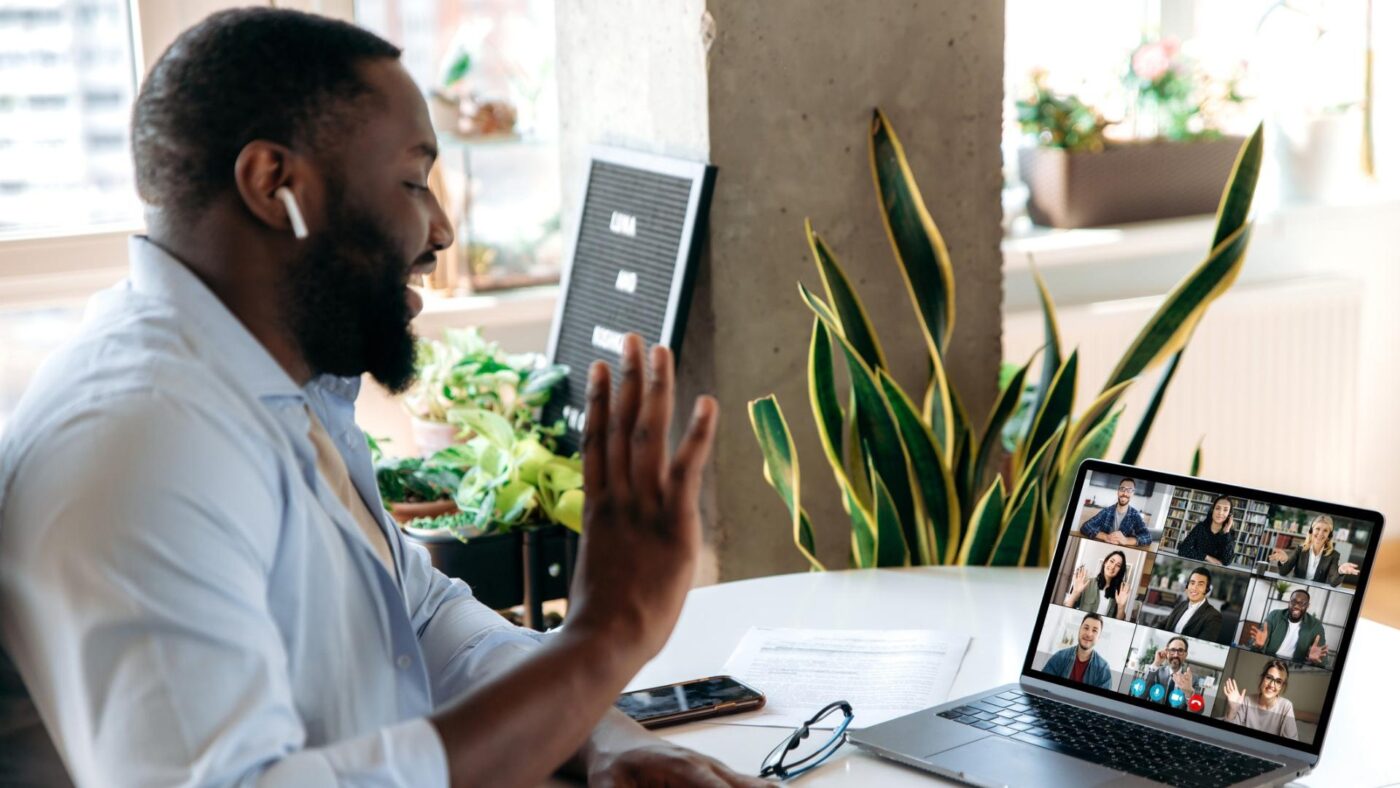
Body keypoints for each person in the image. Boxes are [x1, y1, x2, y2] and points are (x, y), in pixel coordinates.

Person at [0, 9, 765, 788]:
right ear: (275, 185)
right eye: (411, 181)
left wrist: (607, 738)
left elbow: (429, 626)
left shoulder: (276, 389)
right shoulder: (141, 448)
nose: (441, 231)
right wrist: (603, 638)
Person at [1269, 514, 1361, 587]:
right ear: (1311, 531)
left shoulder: (1334, 555)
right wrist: (1284, 560)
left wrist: (1340, 571)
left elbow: (1333, 582)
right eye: (1317, 529)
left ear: (1329, 535)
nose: (1320, 533)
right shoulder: (1300, 549)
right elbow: (1283, 572)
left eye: (1325, 531)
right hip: (1296, 587)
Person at [1220, 660, 1299, 740]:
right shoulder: (1247, 701)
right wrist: (1233, 709)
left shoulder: (1286, 707)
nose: (1271, 685)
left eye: (1278, 681)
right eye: (1268, 678)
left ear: (1282, 686)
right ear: (1262, 678)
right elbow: (1228, 736)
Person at [1250, 589, 1329, 665]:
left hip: (1293, 666)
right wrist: (1258, 646)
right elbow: (1254, 646)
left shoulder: (1316, 626)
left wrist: (1315, 660)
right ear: (1289, 602)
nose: (1296, 606)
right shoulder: (1275, 615)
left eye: (1302, 603)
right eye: (1293, 601)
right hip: (1269, 660)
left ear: (1307, 606)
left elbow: (1323, 662)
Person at [1041, 613, 1115, 689]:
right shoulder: (1059, 656)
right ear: (1079, 629)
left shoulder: (1103, 668)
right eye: (1086, 628)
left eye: (1094, 630)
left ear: (1099, 636)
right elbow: (1042, 686)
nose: (1089, 634)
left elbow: (1101, 700)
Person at [1079, 478, 1152, 546]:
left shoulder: (1135, 515)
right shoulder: (1106, 511)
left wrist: (1126, 540)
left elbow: (1148, 537)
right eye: (1122, 489)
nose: (1125, 493)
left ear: (1133, 494)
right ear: (1118, 491)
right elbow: (1085, 527)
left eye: (1129, 490)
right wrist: (1106, 537)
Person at [1063, 550, 1133, 620]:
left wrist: (1121, 607)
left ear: (1120, 570)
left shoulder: (1118, 594)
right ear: (1105, 562)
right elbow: (1066, 611)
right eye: (1111, 561)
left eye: (1118, 565)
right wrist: (1075, 593)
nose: (1113, 566)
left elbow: (1118, 621)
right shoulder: (1087, 583)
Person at [1160, 567, 1223, 641]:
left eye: (1200, 584)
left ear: (1207, 589)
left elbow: (1202, 643)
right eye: (1192, 583)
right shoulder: (1182, 604)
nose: (1194, 588)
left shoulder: (1214, 616)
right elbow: (1162, 624)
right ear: (1187, 586)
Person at [1176, 493, 1236, 566]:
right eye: (1217, 508)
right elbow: (1182, 550)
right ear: (1212, 510)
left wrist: (1226, 532)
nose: (1220, 513)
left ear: (1229, 515)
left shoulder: (1230, 534)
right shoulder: (1200, 527)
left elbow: (1227, 561)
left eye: (1225, 510)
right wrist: (1206, 557)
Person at [1143, 636, 1205, 705]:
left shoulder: (1192, 679)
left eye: (1180, 651)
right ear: (1167, 652)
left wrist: (1189, 694)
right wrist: (1156, 663)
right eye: (1172, 650)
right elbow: (1142, 696)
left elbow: (1198, 711)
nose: (1176, 655)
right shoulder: (1156, 672)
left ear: (1185, 655)